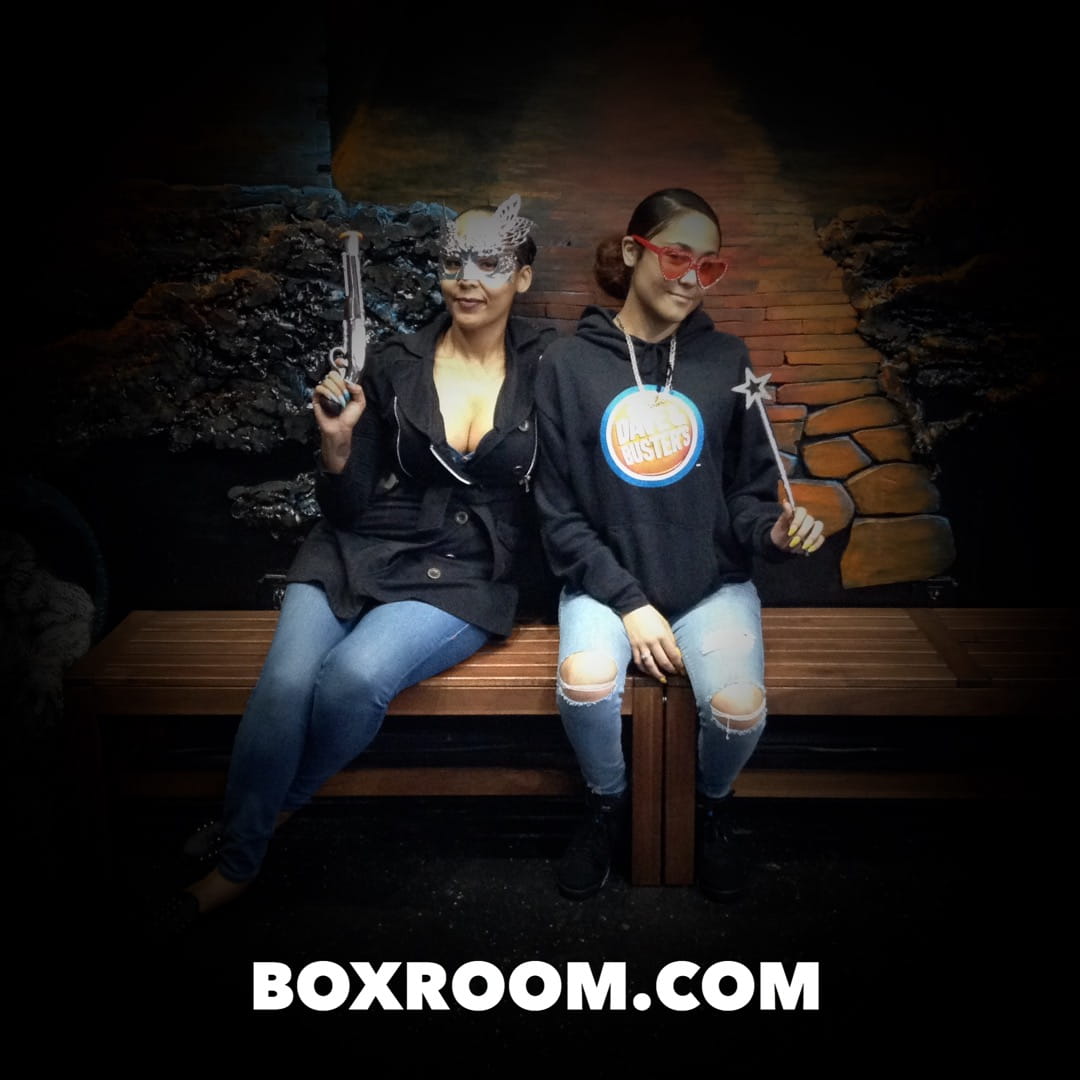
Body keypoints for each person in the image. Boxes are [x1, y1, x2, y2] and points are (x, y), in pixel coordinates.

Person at [173, 194, 553, 921]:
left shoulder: (552, 364)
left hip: (465, 569)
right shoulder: (397, 361)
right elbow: (346, 506)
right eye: (454, 260)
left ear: (523, 277)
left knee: (352, 678)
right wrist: (338, 441)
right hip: (357, 544)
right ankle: (242, 858)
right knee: (287, 685)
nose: (467, 278)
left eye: (489, 262)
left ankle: (254, 829)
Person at [533, 188, 824, 901]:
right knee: (584, 683)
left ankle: (709, 805)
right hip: (606, 586)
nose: (692, 279)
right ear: (632, 253)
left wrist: (774, 532)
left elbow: (747, 497)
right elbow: (558, 514)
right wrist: (628, 603)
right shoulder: (567, 365)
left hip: (709, 584)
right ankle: (607, 803)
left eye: (709, 266)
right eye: (676, 257)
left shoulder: (726, 359)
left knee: (740, 710)